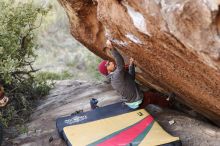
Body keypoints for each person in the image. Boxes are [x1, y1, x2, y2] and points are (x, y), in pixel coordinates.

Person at [98, 40, 170, 109]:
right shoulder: (116, 78)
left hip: (133, 101)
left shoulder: (116, 76)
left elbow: (131, 78)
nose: (111, 62)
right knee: (152, 96)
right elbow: (120, 64)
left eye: (109, 62)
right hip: (137, 102)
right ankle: (168, 103)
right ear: (107, 70)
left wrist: (131, 65)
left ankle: (163, 102)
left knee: (151, 95)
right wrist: (112, 48)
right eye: (108, 64)